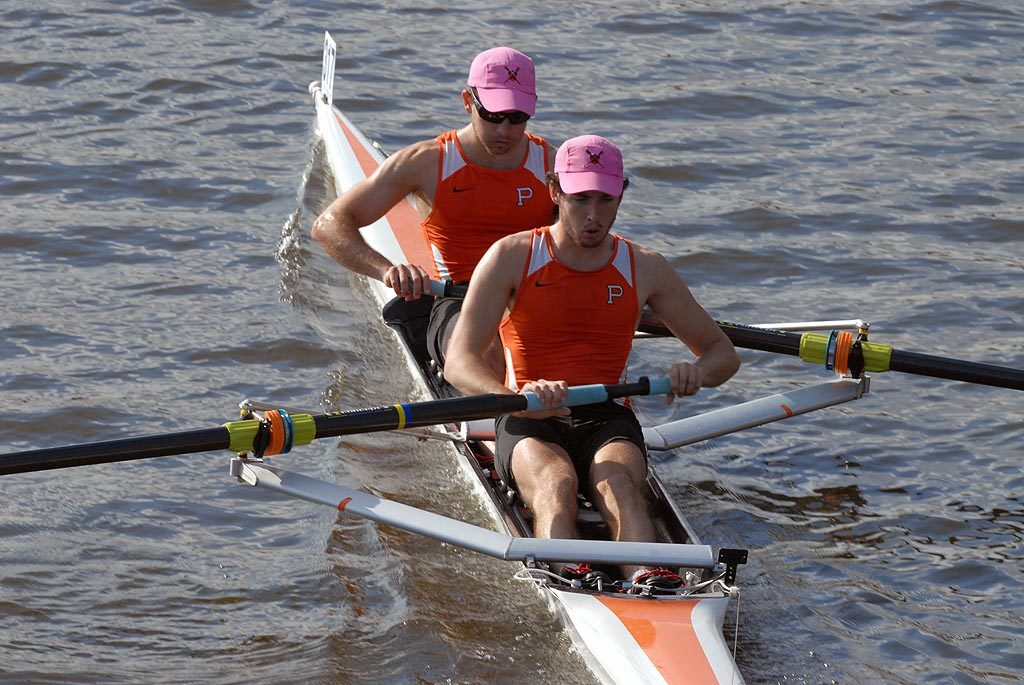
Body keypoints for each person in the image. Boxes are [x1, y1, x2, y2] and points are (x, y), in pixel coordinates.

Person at [443, 134, 741, 592]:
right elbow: (458, 363)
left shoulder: (644, 266)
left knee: (618, 482)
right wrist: (516, 400)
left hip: (608, 413)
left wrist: (696, 373)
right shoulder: (512, 256)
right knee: (556, 483)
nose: (593, 215)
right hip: (528, 415)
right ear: (554, 190)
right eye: (581, 198)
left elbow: (723, 355)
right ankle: (569, 575)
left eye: (606, 199)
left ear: (621, 193)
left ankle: (649, 578)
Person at [311, 47, 556, 369]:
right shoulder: (427, 163)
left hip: (535, 298)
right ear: (468, 102)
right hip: (458, 299)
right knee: (487, 357)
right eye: (493, 116)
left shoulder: (554, 166)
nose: (504, 131)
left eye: (517, 117)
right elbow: (328, 225)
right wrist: (387, 270)